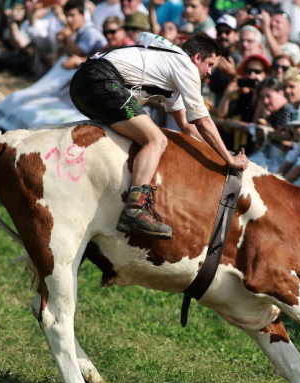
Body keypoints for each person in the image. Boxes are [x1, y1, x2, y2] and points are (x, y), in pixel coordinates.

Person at [70, 32, 249, 239]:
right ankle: (135, 208)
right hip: (101, 80)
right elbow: (202, 120)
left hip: (83, 82)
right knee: (156, 139)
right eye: (209, 64)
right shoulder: (186, 66)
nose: (209, 72)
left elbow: (187, 126)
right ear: (197, 58)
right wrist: (228, 158)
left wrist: (222, 153)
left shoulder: (173, 64)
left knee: (138, 132)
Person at [59, 0, 108, 69]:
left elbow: (77, 54)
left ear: (83, 15)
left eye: (72, 15)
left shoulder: (90, 31)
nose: (68, 19)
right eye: (67, 16)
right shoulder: (79, 31)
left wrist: (68, 36)